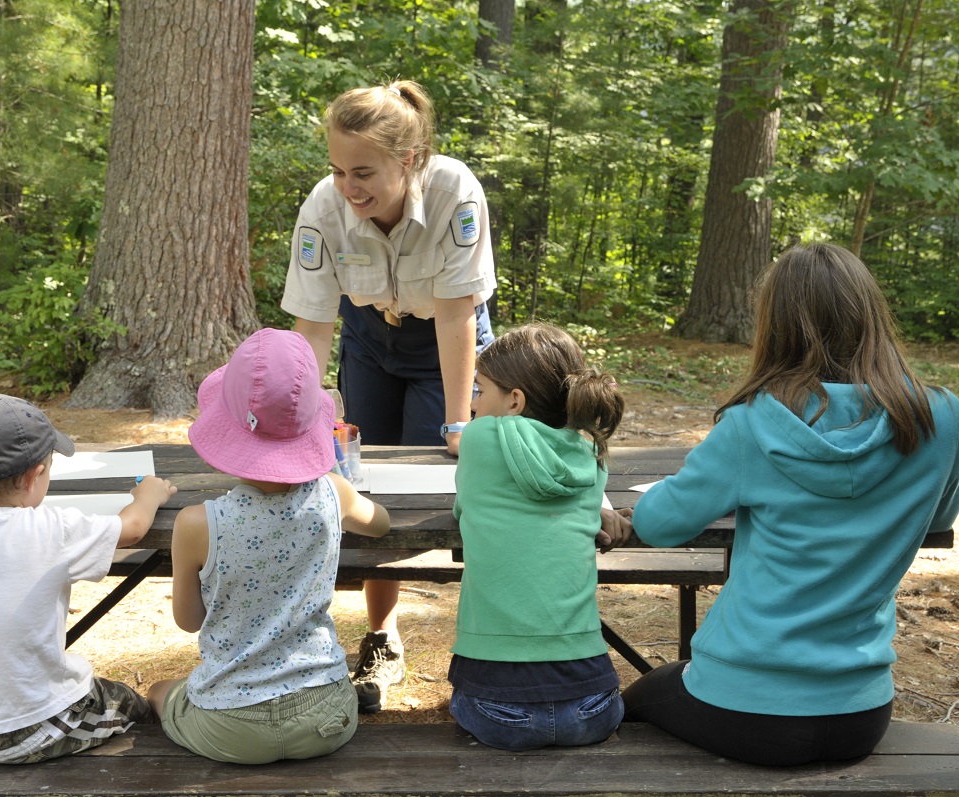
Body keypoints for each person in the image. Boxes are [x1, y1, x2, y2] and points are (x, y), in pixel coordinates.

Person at [620, 242, 959, 766]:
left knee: (639, 695)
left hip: (740, 706)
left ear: (774, 326)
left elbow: (656, 522)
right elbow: (940, 519)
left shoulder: (751, 424)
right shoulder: (939, 419)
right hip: (859, 713)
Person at [282, 79, 496, 712]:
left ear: (408, 160)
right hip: (370, 339)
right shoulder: (324, 206)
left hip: (448, 341)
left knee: (457, 487)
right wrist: (296, 422)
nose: (349, 188)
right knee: (364, 484)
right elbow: (314, 325)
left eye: (365, 172)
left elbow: (459, 315)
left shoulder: (457, 191)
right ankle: (381, 634)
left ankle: (488, 638)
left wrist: (463, 425)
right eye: (339, 170)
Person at [147, 328, 391, 764]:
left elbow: (188, 620)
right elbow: (381, 525)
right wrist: (343, 490)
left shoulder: (197, 523)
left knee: (160, 691)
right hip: (329, 714)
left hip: (232, 726)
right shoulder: (333, 493)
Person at [0, 394, 177, 764]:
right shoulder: (51, 528)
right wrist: (149, 493)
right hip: (37, 727)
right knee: (138, 702)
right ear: (33, 477)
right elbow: (134, 528)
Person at [448, 323, 626, 750]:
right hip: (594, 705)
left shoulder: (478, 439)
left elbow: (462, 512)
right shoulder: (593, 455)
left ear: (514, 400)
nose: (472, 405)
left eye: (480, 390)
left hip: (498, 710)